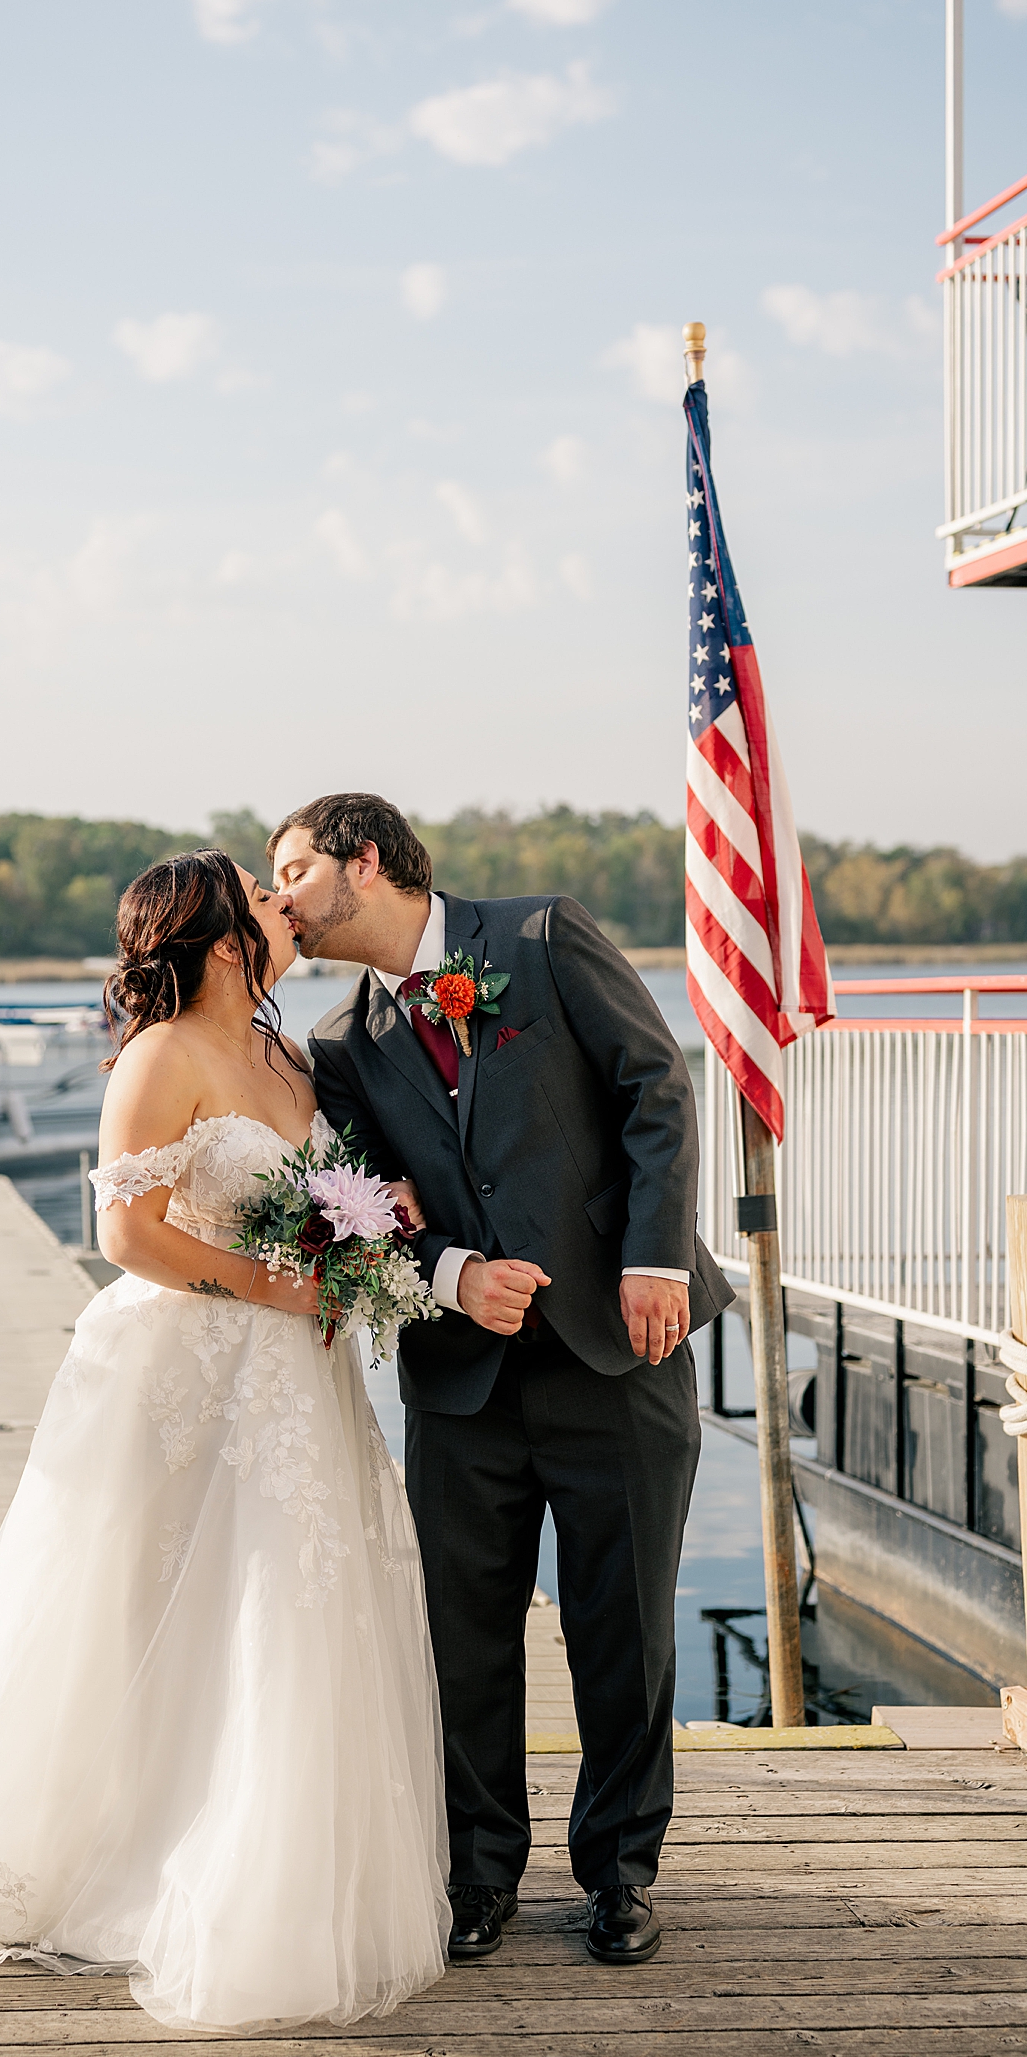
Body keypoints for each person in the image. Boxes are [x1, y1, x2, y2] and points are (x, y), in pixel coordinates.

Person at [0, 849, 450, 2033]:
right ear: (221, 944)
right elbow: (124, 1231)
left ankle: (266, 1857)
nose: (284, 909)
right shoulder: (161, 1058)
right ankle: (102, 1850)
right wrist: (267, 1289)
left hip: (298, 1382)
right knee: (139, 1605)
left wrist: (370, 1229)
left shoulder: (288, 1054)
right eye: (264, 902)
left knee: (287, 1611)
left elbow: (323, 1199)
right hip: (187, 1364)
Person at [271, 793, 733, 1968]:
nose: (281, 902)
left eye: (293, 874)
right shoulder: (341, 1046)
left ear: (363, 860)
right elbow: (357, 1209)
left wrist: (651, 1260)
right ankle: (476, 1875)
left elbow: (655, 1090)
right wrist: (453, 1273)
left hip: (618, 1349)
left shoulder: (538, 937)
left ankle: (621, 1872)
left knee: (620, 1627)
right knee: (461, 1638)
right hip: (460, 1384)